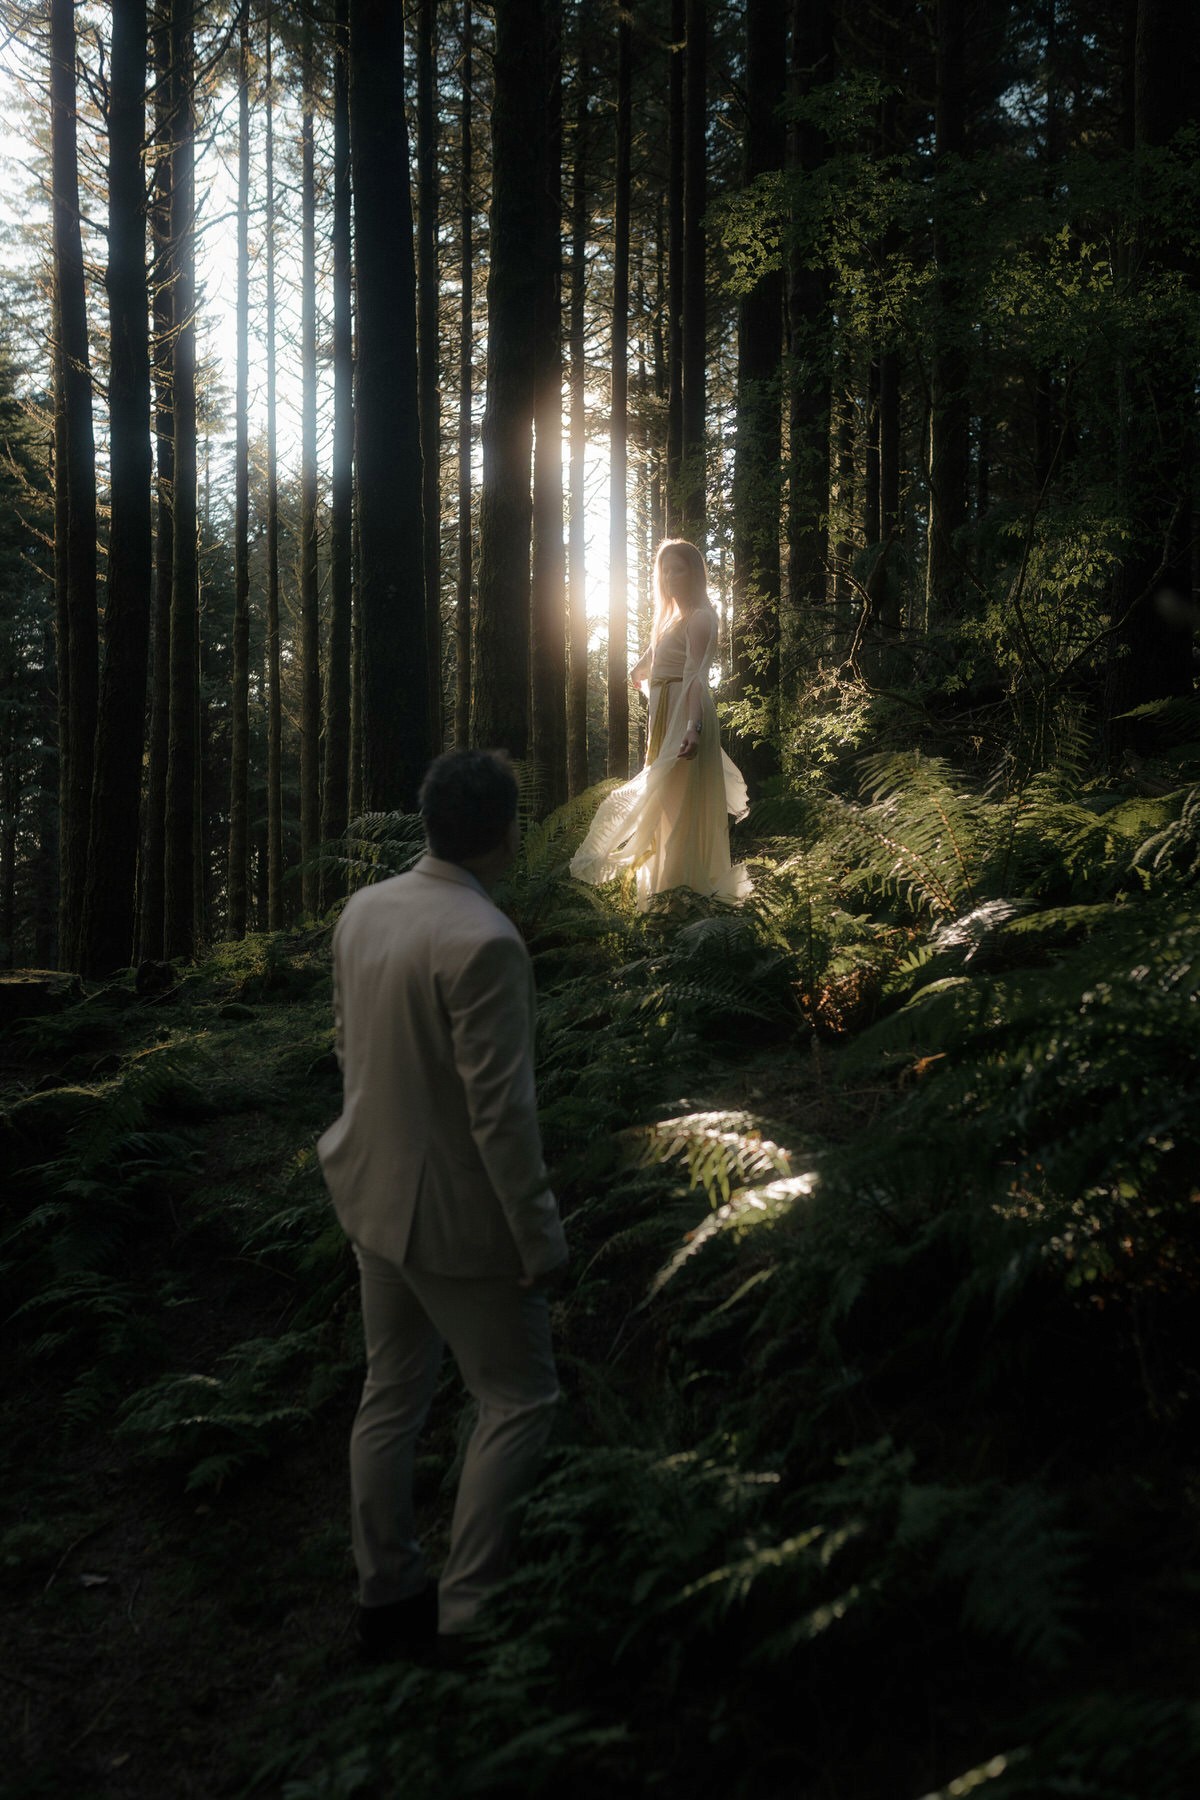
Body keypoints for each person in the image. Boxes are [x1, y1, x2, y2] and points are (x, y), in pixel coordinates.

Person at [317, 748, 568, 1663]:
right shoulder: (486, 939)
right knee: (521, 1397)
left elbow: (348, 1050)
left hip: (369, 1195)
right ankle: (471, 1613)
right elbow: (502, 1117)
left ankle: (385, 1597)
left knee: (390, 1394)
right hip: (458, 1222)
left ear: (427, 822)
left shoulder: (365, 910)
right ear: (506, 832)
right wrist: (540, 1236)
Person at [570, 538, 750, 907]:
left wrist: (691, 728)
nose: (669, 577)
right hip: (665, 714)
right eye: (664, 570)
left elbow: (696, 676)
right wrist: (641, 668)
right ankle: (665, 893)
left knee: (677, 802)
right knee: (667, 801)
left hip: (685, 713)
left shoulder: (701, 617)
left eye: (678, 569)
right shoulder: (674, 618)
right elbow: (655, 656)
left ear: (695, 573)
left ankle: (683, 895)